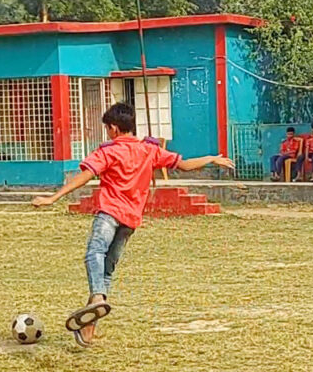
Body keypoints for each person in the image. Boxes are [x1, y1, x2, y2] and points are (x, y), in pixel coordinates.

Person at [30, 103, 234, 346]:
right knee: (106, 271)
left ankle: (96, 298)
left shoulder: (108, 152)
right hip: (131, 219)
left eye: (107, 129)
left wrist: (53, 197)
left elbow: (84, 176)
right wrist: (212, 158)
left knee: (94, 253)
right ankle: (88, 330)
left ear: (114, 128)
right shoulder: (149, 150)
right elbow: (184, 165)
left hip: (109, 213)